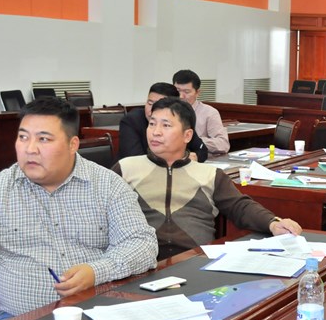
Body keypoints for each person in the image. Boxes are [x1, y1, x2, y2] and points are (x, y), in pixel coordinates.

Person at [0, 97, 158, 320]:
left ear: (72, 145)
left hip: (97, 315)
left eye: (43, 139)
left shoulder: (107, 185)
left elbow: (142, 244)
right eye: (23, 137)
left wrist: (97, 271)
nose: (30, 149)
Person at [114, 98, 302, 260]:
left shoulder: (210, 174)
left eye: (166, 125)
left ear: (187, 135)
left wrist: (273, 223)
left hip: (196, 261)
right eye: (152, 124)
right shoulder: (125, 169)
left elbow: (240, 206)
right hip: (142, 263)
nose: (155, 132)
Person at [118, 82, 208, 162]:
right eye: (149, 103)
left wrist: (195, 157)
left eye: (166, 125)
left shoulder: (179, 121)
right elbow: (135, 160)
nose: (152, 110)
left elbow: (202, 150)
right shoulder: (131, 121)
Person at [172, 68, 230, 155]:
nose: (181, 96)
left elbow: (223, 144)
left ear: (197, 93)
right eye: (177, 91)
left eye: (186, 92)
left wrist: (194, 141)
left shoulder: (209, 113)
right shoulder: (166, 111)